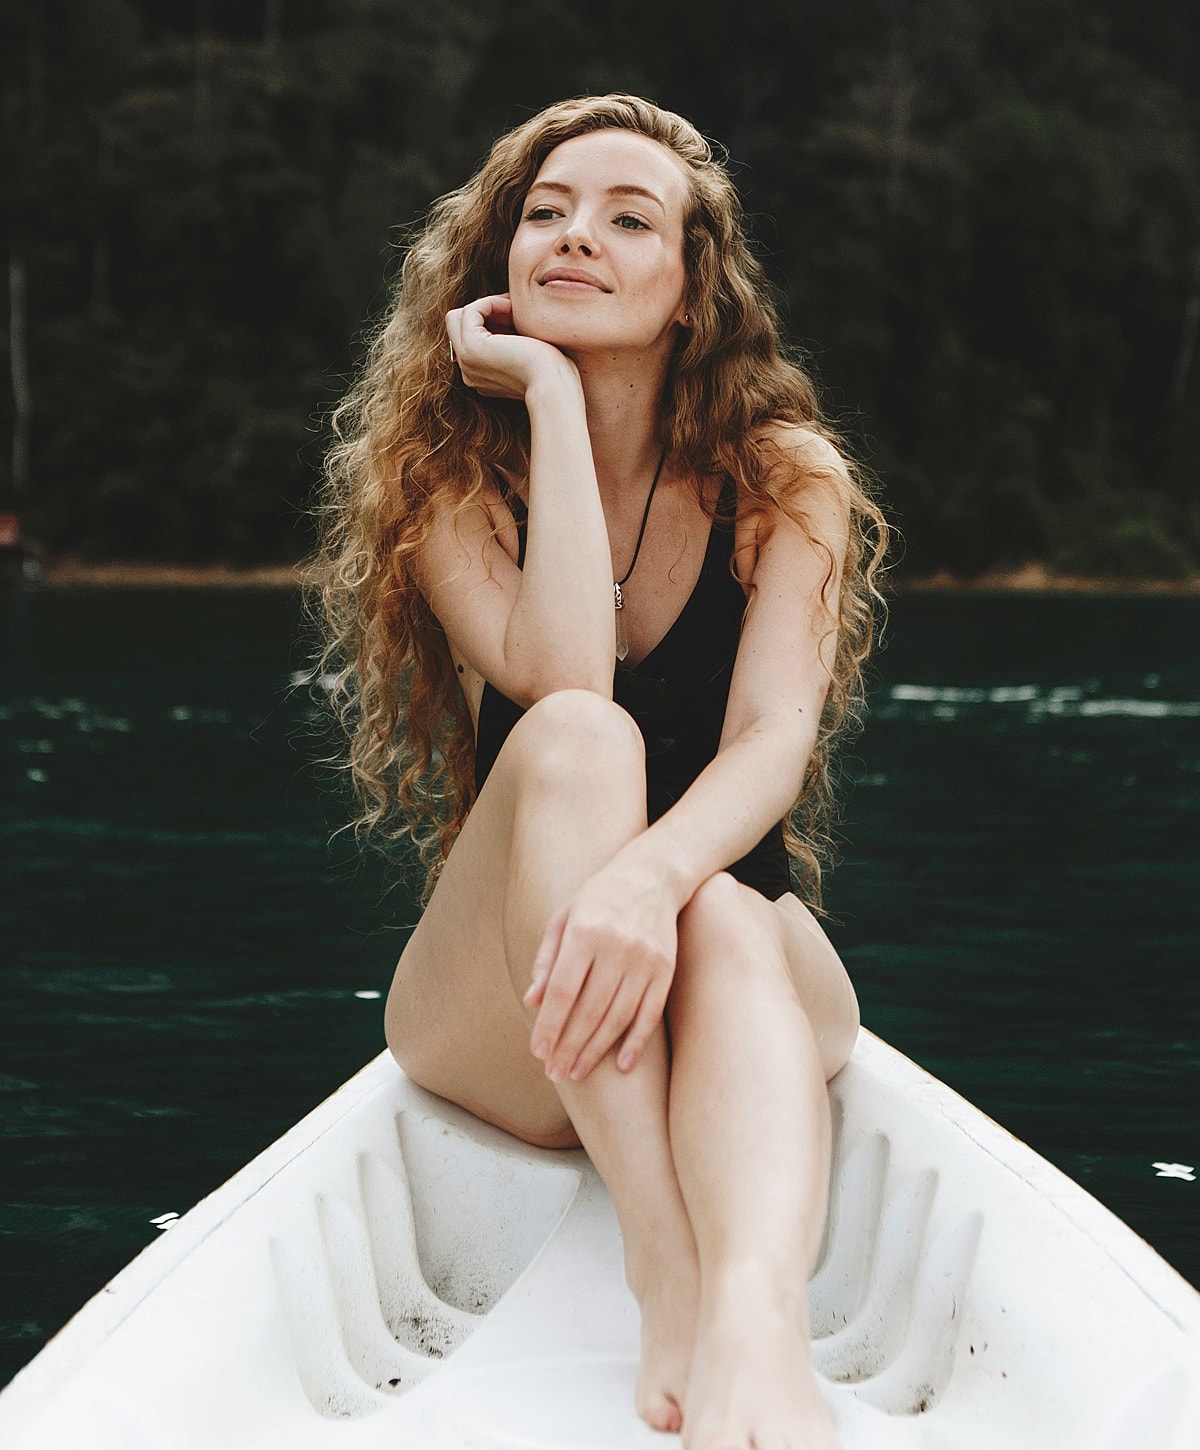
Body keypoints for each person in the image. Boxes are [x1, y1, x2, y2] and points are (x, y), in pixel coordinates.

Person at [315, 94, 887, 1450]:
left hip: (718, 967)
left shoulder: (781, 476)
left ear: (693, 293)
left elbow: (771, 741)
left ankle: (755, 1322)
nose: (576, 236)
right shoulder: (449, 476)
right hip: (506, 1013)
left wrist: (650, 881)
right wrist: (555, 403)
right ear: (500, 257)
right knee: (585, 737)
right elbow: (563, 674)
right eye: (547, 213)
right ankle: (665, 1255)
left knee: (727, 914)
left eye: (631, 220)